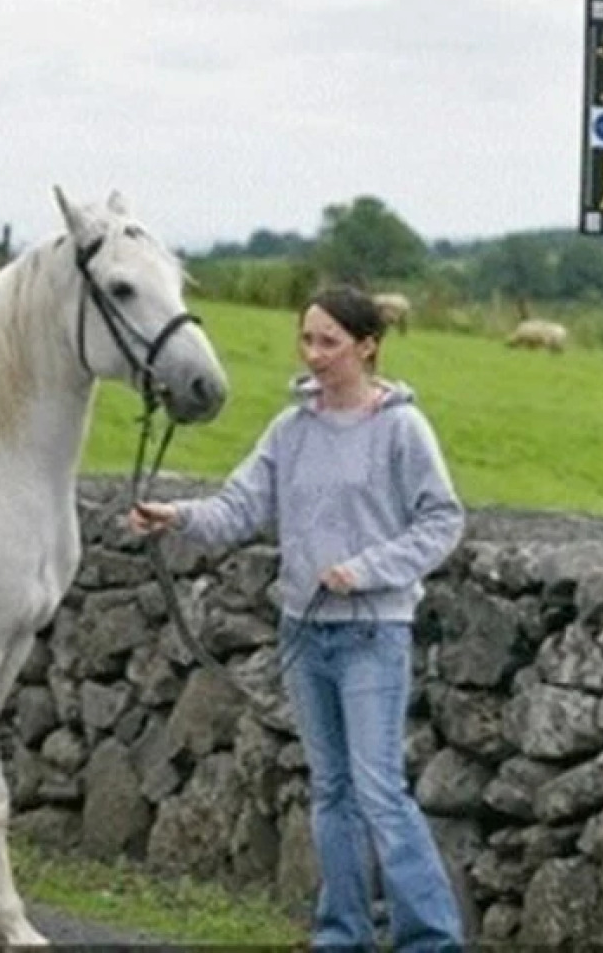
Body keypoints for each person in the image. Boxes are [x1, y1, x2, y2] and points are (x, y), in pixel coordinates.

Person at [128, 285, 465, 951]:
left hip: (372, 632)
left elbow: (442, 521)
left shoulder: (401, 429)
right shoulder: (290, 429)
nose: (313, 354)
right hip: (303, 633)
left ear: (367, 347)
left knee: (379, 792)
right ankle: (340, 936)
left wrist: (367, 569)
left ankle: (431, 940)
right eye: (307, 339)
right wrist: (178, 517)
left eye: (328, 342)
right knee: (331, 791)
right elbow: (239, 508)